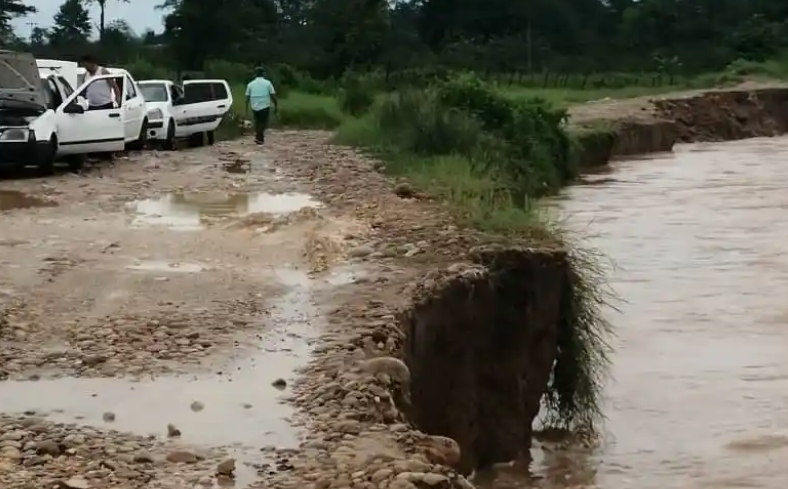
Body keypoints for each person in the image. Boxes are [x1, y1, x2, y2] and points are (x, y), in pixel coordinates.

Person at [245, 66, 278, 145]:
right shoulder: (268, 83)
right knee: (263, 122)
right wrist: (276, 105)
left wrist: (246, 107)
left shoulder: (250, 84)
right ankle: (259, 137)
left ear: (255, 74)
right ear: (263, 74)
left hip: (254, 105)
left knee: (257, 121)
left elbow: (247, 97)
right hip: (265, 105)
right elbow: (273, 95)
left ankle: (259, 137)